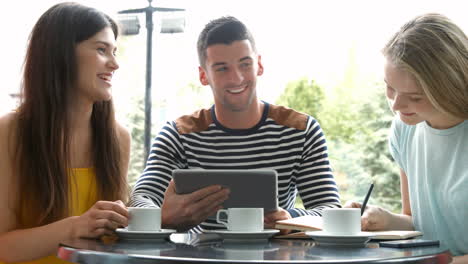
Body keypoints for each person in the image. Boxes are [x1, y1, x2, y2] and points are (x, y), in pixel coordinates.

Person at [130, 16, 341, 233]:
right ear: (204, 76)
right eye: (222, 68)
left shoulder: (301, 130)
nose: (237, 78)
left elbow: (330, 211)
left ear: (259, 65)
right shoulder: (178, 134)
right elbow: (141, 198)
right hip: (197, 257)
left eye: (245, 64)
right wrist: (164, 217)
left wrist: (291, 217)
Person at [0, 3, 131, 263]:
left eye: (114, 51)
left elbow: (113, 243)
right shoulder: (9, 133)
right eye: (101, 49)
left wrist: (161, 216)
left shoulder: (119, 138)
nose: (114, 64)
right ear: (60, 55)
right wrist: (71, 228)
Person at [346, 13, 467, 262]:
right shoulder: (405, 129)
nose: (396, 105)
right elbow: (416, 221)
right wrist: (385, 219)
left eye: (416, 96)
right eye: (390, 88)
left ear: (450, 85)